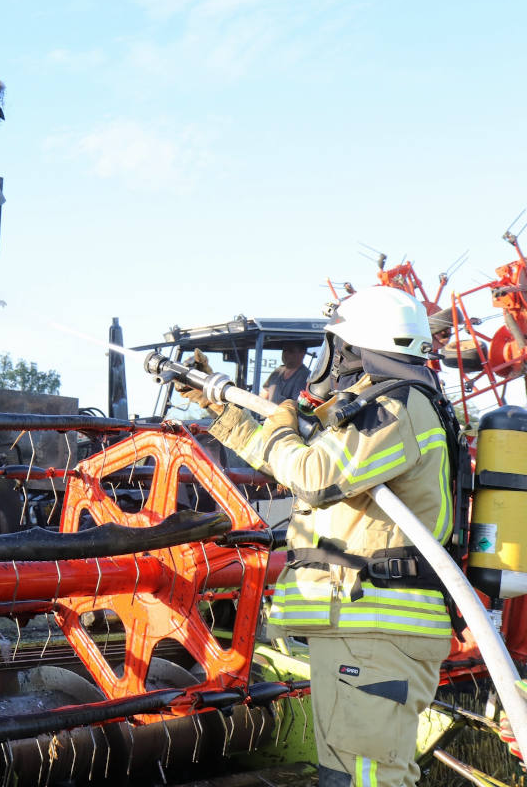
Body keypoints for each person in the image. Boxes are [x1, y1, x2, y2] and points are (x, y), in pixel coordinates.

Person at [179, 286, 458, 787]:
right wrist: (219, 409)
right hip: (361, 630)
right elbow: (292, 457)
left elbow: (312, 474)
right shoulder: (374, 409)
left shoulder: (396, 406)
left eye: (335, 344)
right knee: (346, 772)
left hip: (376, 631)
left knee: (368, 777)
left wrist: (282, 427)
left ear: (354, 346)